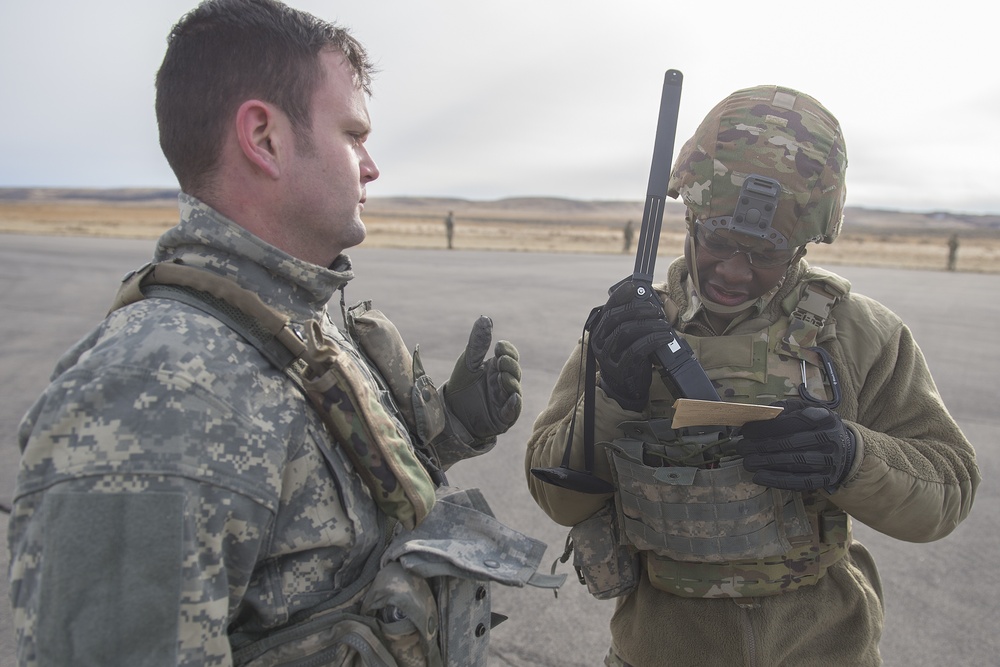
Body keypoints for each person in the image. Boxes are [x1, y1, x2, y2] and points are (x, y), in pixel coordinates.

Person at [7, 1, 553, 665]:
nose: (371, 166)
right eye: (354, 135)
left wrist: (449, 434)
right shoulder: (155, 393)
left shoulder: (296, 322)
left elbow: (330, 533)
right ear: (264, 137)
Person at [525, 84, 980, 666]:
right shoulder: (628, 328)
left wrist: (849, 456)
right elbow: (556, 499)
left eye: (765, 251)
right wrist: (612, 398)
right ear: (690, 215)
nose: (734, 272)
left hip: (824, 647)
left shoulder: (859, 333)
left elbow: (950, 490)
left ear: (800, 245)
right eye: (719, 241)